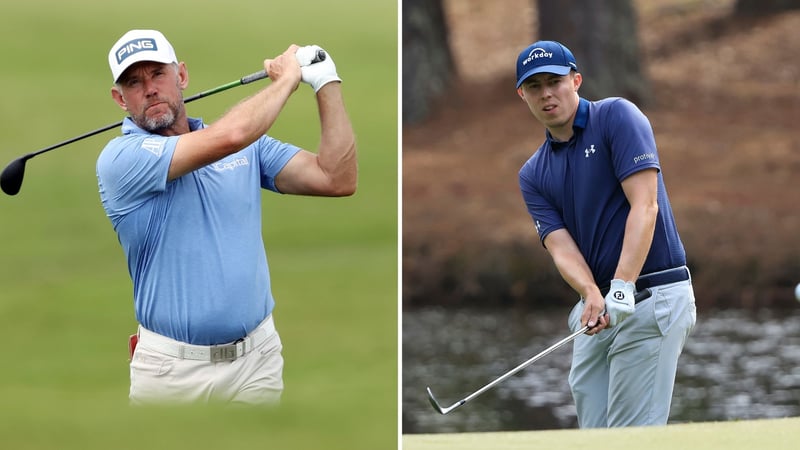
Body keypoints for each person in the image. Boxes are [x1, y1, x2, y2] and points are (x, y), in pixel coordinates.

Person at [96, 29, 356, 405]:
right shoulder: (120, 160)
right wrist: (286, 81)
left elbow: (337, 177)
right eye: (134, 82)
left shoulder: (251, 148)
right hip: (170, 374)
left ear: (181, 76)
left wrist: (326, 82)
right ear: (120, 98)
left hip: (257, 362)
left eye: (158, 74)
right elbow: (230, 136)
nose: (149, 89)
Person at [514, 40, 696, 427]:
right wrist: (591, 293)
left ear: (576, 80)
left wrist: (621, 284)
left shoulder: (616, 117)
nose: (546, 93)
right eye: (534, 86)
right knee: (593, 434)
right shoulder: (532, 173)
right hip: (599, 310)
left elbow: (645, 206)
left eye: (555, 81)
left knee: (629, 437)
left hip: (652, 297)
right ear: (523, 95)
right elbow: (560, 248)